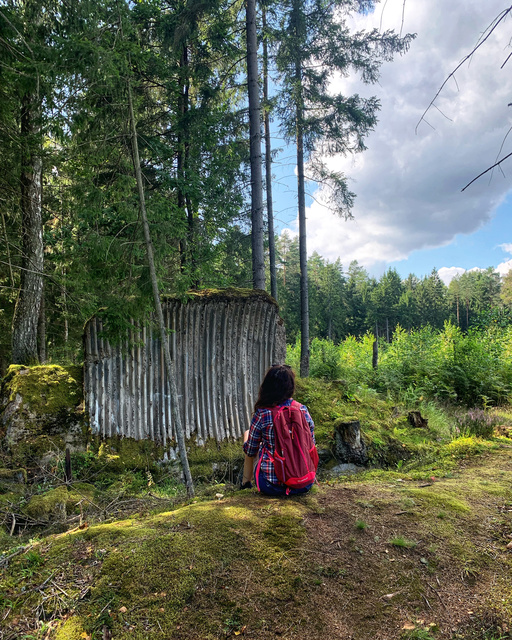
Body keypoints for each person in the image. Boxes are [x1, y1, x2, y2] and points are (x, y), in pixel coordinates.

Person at [241, 364, 316, 496]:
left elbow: (251, 450)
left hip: (272, 486)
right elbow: (311, 444)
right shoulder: (302, 410)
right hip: (305, 483)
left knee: (248, 434)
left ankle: (245, 483)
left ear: (267, 386)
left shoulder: (263, 413)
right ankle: (301, 476)